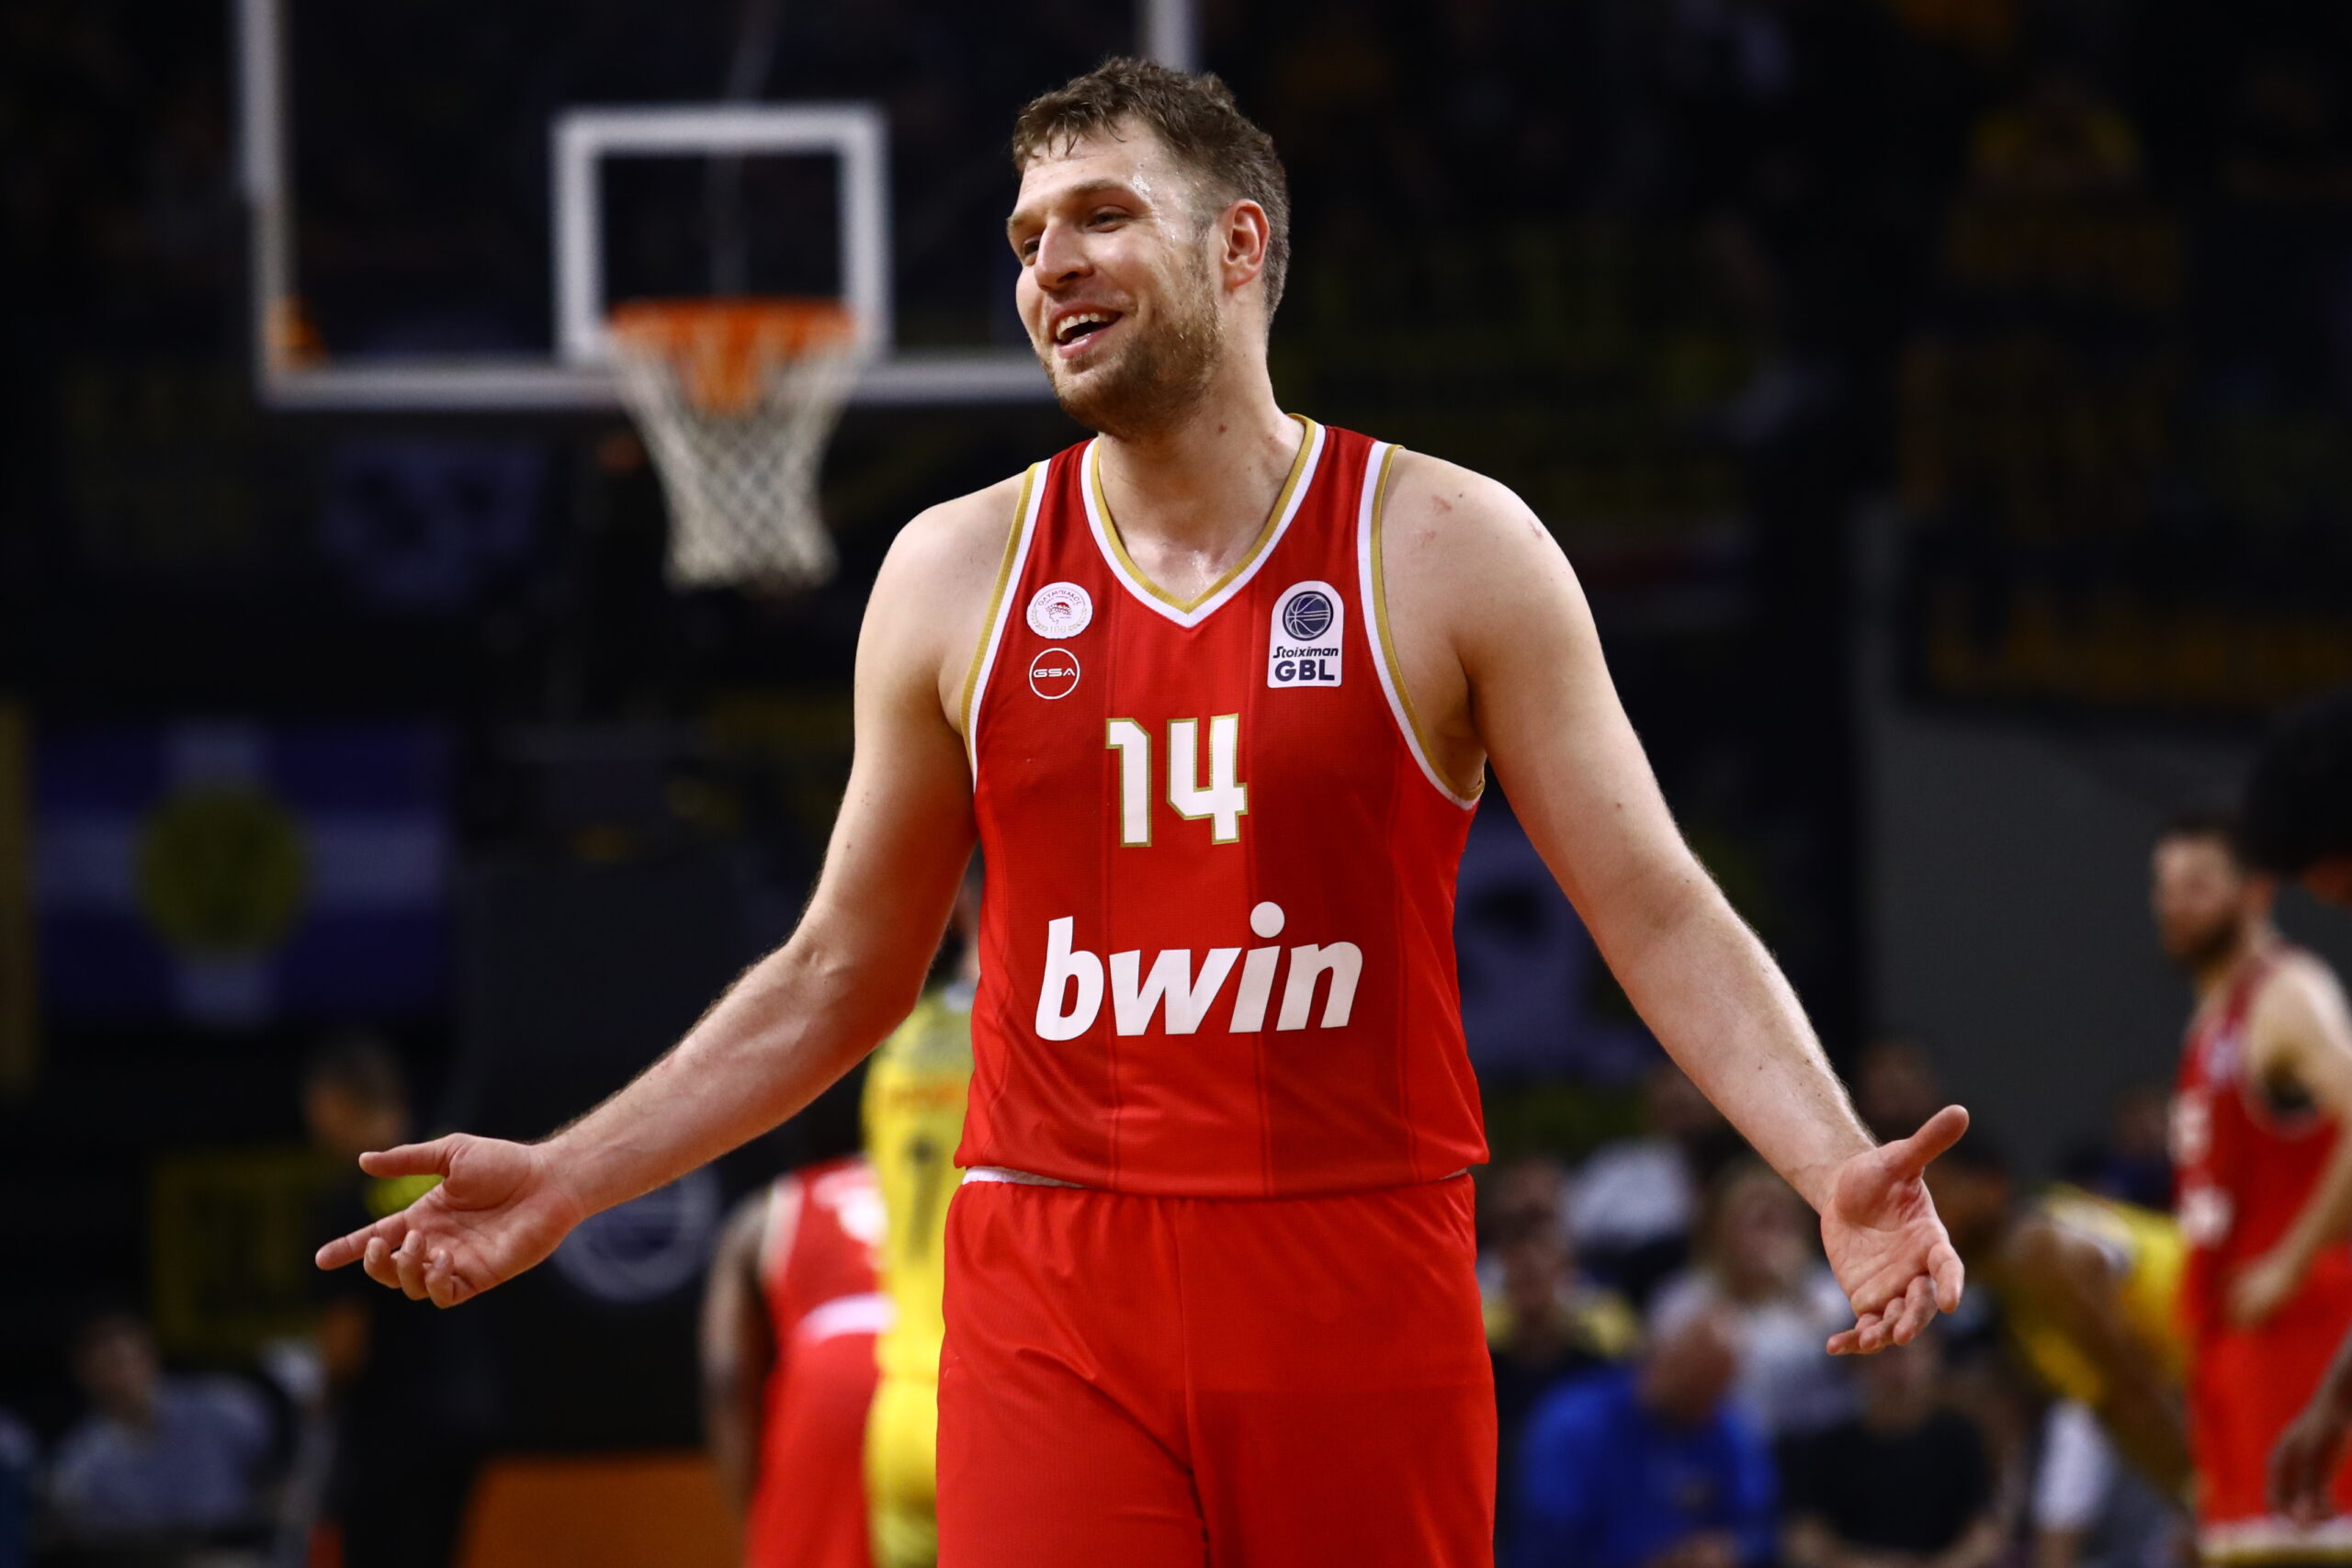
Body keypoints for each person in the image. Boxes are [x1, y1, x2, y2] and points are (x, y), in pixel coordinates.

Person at [318, 59, 1972, 1566]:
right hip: (1054, 1276)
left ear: (1239, 245)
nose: (1050, 262)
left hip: (1354, 1264)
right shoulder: (952, 570)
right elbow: (840, 970)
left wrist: (1831, 1160)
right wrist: (572, 1172)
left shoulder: (1448, 544)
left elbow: (1654, 903)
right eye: (1028, 236)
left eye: (1101, 216)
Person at [2157, 809, 2352, 1560]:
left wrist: (2289, 1261)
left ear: (2256, 890)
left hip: (2302, 1335)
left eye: (2198, 884)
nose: (2174, 903)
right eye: (2166, 885)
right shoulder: (2212, 1016)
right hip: (2231, 1343)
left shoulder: (2286, 992)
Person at [303, 1036, 495, 1568]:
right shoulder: (452, 1179)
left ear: (333, 1102)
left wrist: (319, 1394)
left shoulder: (350, 1199)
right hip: (464, 1414)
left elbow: (346, 1344)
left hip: (389, 1428)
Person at [1924, 1130, 2188, 1497]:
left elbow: (2140, 1387)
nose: (1926, 1218)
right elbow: (2115, 1408)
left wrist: (2206, 1492)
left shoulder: (2035, 1251)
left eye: (1937, 1193)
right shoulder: (2006, 1287)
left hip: (2242, 1341)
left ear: (1992, 1185)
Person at [702, 1073, 887, 1568]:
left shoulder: (766, 1213)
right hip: (927, 1380)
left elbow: (726, 1375)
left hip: (827, 1390)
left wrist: (758, 1522)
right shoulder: (934, 1195)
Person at [861, 867, 978, 1568]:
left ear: (958, 904)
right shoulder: (1054, 1040)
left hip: (900, 1403)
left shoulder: (895, 1047)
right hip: (998, 1409)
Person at [1512, 1306, 1777, 1568]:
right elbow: (1550, 1534)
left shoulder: (1724, 1426)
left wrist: (1728, 1548)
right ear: (1661, 1354)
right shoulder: (1574, 1420)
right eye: (1692, 1372)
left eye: (1714, 1387)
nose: (1703, 1400)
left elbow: (1759, 1523)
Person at [1651, 1161, 1856, 1442]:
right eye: (1756, 1223)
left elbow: (1851, 1383)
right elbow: (1664, 1390)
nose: (1767, 1239)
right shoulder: (1682, 1299)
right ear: (1718, 1228)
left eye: (1779, 1223)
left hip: (1818, 1446)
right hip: (1711, 1442)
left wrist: (1795, 1291)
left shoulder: (1830, 1295)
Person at [49, 1310, 274, 1548]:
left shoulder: (219, 1406)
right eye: (105, 1367)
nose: (121, 1378)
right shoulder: (79, 1462)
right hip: (140, 1556)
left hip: (232, 1548)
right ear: (84, 1374)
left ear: (150, 1356)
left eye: (125, 1361)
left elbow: (278, 1465)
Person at [1781, 1329, 2002, 1568]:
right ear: (1858, 1363)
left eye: (1909, 1353)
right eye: (1885, 1355)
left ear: (1933, 1356)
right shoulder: (1828, 1446)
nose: (1898, 1370)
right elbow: (1803, 1536)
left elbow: (1985, 1532)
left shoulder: (1961, 1439)